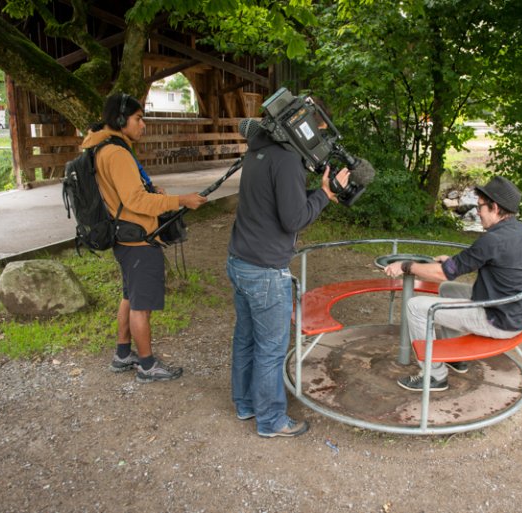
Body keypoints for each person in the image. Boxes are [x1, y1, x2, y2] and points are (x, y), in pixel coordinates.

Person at [227, 111, 350, 438]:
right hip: (265, 271)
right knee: (270, 347)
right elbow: (294, 219)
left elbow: (281, 206)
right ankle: (270, 420)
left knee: (246, 339)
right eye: (318, 134)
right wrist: (326, 194)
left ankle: (245, 404)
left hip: (240, 260)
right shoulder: (287, 160)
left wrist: (320, 194)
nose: (319, 144)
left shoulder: (260, 149)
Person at [82, 92, 207, 383]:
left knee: (130, 296)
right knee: (141, 306)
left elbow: (129, 195)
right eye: (139, 119)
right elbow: (135, 201)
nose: (143, 125)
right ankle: (148, 366)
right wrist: (179, 200)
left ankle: (123, 354)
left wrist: (156, 194)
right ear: (120, 119)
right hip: (138, 240)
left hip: (125, 237)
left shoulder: (105, 147)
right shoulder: (116, 153)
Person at [384, 176, 522, 391]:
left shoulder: (492, 239)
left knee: (416, 307)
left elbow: (442, 274)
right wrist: (451, 262)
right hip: (516, 311)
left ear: (494, 207)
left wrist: (406, 266)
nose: (477, 212)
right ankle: (456, 358)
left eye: (480, 206)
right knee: (448, 290)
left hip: (497, 318)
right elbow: (477, 263)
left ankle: (434, 376)